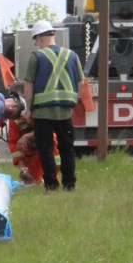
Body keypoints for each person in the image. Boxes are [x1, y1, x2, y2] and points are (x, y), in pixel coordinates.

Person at [23, 20, 86, 192]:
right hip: (65, 112)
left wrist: (28, 108)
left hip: (42, 113)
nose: (37, 43)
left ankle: (51, 186)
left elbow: (29, 85)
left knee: (46, 150)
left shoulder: (36, 57)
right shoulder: (72, 55)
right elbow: (81, 82)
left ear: (40, 38)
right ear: (52, 34)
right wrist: (73, 101)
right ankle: (69, 185)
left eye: (36, 40)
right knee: (67, 149)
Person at [6, 94, 60, 185]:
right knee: (33, 181)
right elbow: (14, 144)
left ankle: (53, 180)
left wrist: (27, 136)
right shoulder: (14, 119)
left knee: (52, 168)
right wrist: (22, 166)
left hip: (48, 145)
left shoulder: (40, 110)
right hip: (31, 150)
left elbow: (47, 130)